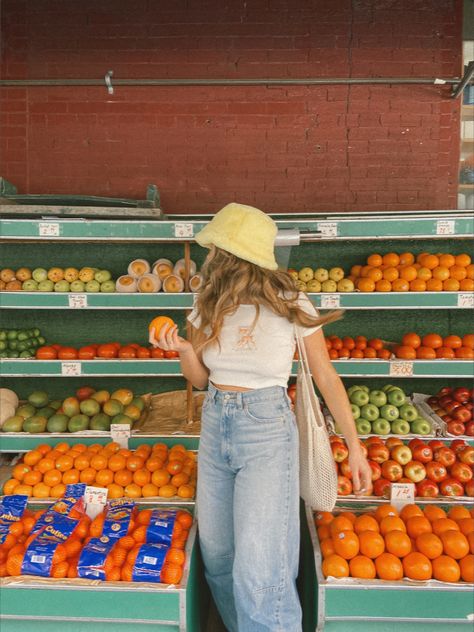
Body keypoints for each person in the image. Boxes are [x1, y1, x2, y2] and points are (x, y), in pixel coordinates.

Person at [150, 203, 372, 632]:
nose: (211, 254)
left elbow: (325, 375)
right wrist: (181, 350)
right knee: (218, 555)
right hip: (216, 423)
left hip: (266, 428)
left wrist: (355, 445)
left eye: (216, 247)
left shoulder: (291, 301)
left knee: (260, 567)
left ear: (231, 253)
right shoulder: (207, 301)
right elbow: (199, 380)